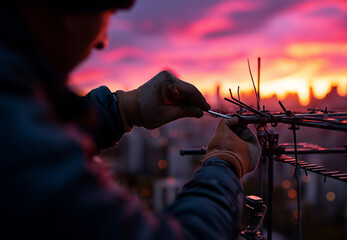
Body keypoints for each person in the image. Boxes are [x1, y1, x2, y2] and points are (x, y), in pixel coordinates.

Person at [0, 0, 261, 239]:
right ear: (69, 10)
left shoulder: (16, 104)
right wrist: (225, 165)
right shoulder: (25, 148)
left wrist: (122, 108)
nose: (102, 41)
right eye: (109, 12)